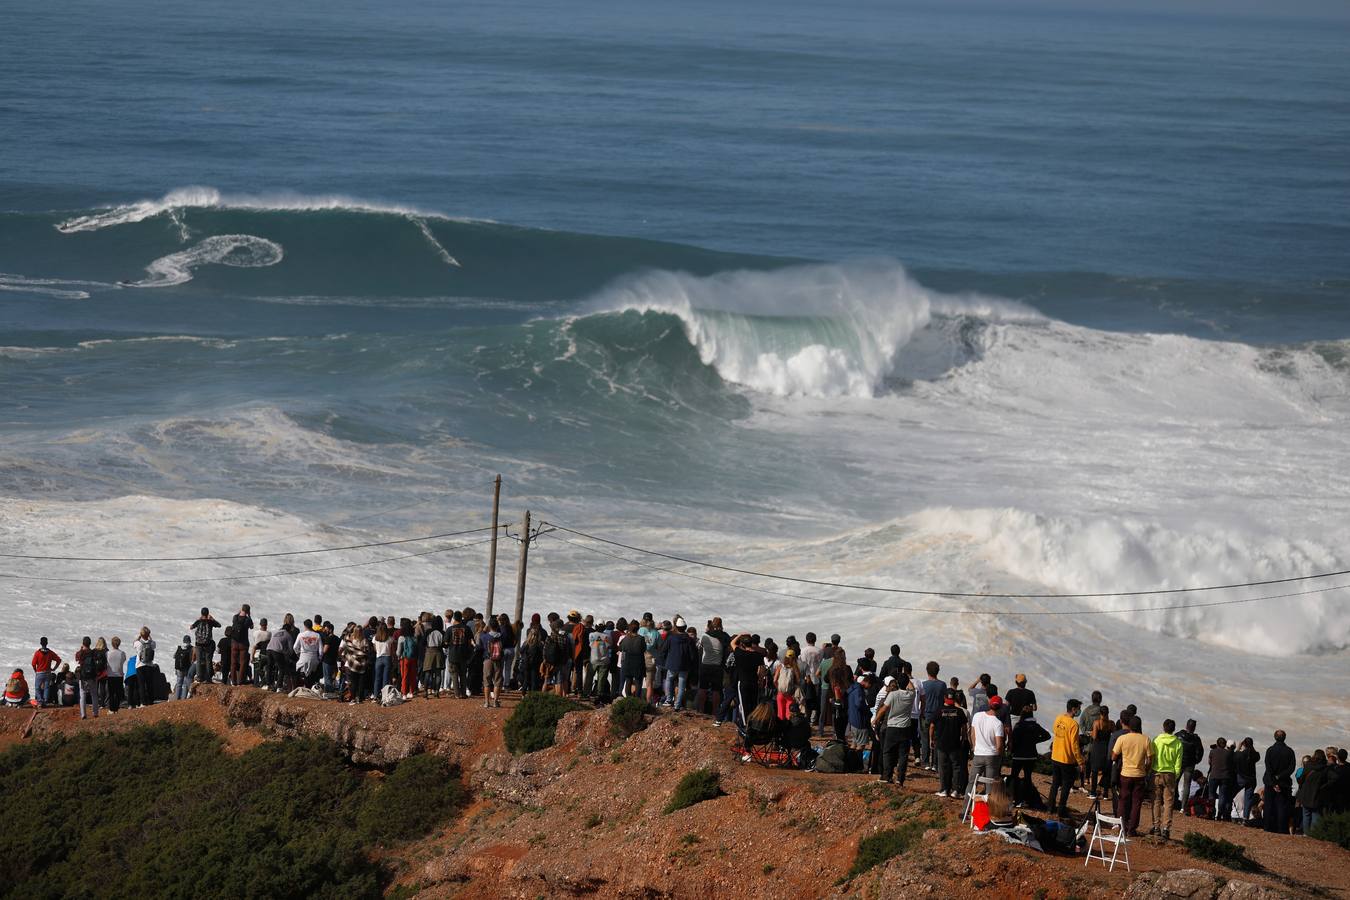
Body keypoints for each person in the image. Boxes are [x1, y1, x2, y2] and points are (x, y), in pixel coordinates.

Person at [873, 669, 916, 785]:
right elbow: (912, 687)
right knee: (903, 755)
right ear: (907, 683)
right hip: (905, 728)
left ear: (897, 683)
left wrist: (875, 720)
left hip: (892, 727)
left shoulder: (892, 694)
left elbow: (883, 709)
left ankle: (887, 776)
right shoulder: (911, 695)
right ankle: (900, 779)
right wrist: (907, 676)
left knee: (887, 752)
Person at [1113, 716, 1152, 837]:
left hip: (1125, 774)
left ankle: (1121, 826)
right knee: (1136, 803)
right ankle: (1131, 829)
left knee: (1123, 801)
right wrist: (1146, 769)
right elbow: (1150, 759)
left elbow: (1114, 756)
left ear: (1129, 726)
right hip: (1139, 775)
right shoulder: (1146, 740)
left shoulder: (1122, 738)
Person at [1010, 708, 1051, 808]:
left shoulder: (1019, 726)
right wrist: (1035, 741)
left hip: (1018, 756)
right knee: (1028, 778)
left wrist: (1012, 751)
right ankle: (1027, 800)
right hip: (1031, 756)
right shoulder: (1035, 726)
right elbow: (1047, 736)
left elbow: (1013, 740)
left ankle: (1015, 799)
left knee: (1013, 777)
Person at [933, 688, 970, 798]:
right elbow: (964, 727)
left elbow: (931, 726)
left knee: (943, 767)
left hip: (942, 744)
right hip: (955, 744)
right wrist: (963, 738)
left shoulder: (939, 710)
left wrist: (931, 739)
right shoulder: (959, 712)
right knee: (956, 767)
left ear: (944, 698)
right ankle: (955, 791)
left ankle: (944, 789)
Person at [1050, 699, 1084, 817]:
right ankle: (1061, 809)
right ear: (1074, 709)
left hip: (1055, 755)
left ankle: (1050, 807)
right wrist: (1080, 761)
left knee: (1055, 783)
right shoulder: (1074, 724)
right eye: (1079, 708)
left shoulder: (1058, 718)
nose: (1079, 711)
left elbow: (1055, 731)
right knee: (1066, 785)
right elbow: (1075, 745)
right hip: (1066, 759)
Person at [1151, 719, 1183, 839]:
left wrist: (1151, 770)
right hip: (1170, 774)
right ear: (1174, 729)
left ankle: (1156, 827)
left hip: (1157, 772)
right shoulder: (1178, 743)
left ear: (1163, 727)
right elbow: (1178, 763)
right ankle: (1166, 829)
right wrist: (1176, 775)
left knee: (1156, 801)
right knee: (1168, 803)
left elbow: (1153, 757)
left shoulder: (1157, 740)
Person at [970, 695, 1006, 784]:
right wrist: (999, 757)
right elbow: (999, 745)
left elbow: (972, 734)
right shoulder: (998, 723)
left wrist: (975, 747)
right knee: (990, 783)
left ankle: (968, 798)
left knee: (972, 782)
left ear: (989, 704)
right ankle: (987, 797)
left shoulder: (977, 716)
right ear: (1000, 708)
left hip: (978, 754)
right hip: (991, 756)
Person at [845, 673, 875, 771]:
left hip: (852, 720)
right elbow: (859, 704)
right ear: (866, 682)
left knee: (853, 744)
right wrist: (868, 711)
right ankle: (858, 767)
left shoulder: (852, 689)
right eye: (869, 685)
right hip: (860, 721)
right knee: (860, 746)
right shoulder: (859, 690)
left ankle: (850, 765)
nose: (869, 687)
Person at [918, 661, 945, 771]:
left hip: (926, 714)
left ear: (927, 671)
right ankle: (935, 764)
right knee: (937, 739)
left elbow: (921, 700)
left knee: (925, 739)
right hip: (938, 715)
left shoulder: (923, 684)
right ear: (938, 671)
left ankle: (925, 763)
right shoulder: (942, 685)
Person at [1296, 748, 1329, 834]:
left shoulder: (1309, 765)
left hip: (1306, 794)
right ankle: (1314, 836)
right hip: (1317, 794)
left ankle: (1306, 834)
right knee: (1316, 815)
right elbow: (1331, 779)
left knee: (1306, 815)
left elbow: (1301, 779)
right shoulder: (1325, 768)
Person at [75, 635, 105, 719]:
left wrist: (81, 649)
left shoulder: (80, 653)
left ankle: (83, 714)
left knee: (82, 695)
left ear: (83, 643)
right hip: (92, 676)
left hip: (83, 677)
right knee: (94, 694)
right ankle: (95, 713)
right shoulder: (93, 652)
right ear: (90, 643)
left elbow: (76, 658)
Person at [1087, 706, 1112, 800]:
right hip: (1106, 748)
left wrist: (1091, 733)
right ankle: (1105, 794)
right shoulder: (1111, 724)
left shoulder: (1097, 723)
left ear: (1100, 714)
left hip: (1097, 748)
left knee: (1094, 771)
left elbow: (1094, 737)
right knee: (1106, 771)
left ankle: (1093, 792)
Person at [1178, 719, 1203, 815]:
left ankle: (1170, 803)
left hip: (1179, 762)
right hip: (1190, 764)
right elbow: (1200, 752)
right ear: (1194, 728)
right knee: (1187, 785)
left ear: (1186, 726)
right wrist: (1196, 761)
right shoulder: (1196, 739)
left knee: (1175, 782)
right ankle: (1183, 808)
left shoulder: (1179, 735)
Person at [1233, 736, 1260, 823]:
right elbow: (1257, 755)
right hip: (1251, 780)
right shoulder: (1255, 755)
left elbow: (1234, 756)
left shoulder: (1240, 754)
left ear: (1244, 744)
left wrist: (1239, 747)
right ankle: (1245, 818)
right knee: (1248, 799)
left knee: (1231, 794)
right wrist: (1250, 747)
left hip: (1241, 778)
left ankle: (1226, 812)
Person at [798, 632, 822, 726]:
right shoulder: (819, 651)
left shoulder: (803, 651)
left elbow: (801, 663)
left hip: (805, 678)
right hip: (816, 678)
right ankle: (813, 719)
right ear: (815, 640)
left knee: (806, 698)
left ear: (806, 640)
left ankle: (805, 717)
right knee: (815, 699)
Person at [1209, 737, 1236, 822]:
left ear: (1217, 744)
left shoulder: (1212, 751)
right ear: (1225, 745)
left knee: (1212, 795)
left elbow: (1210, 762)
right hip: (1225, 777)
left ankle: (1211, 812)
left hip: (1214, 776)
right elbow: (1231, 764)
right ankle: (1219, 813)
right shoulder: (1228, 753)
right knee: (1222, 796)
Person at [618, 621, 647, 700]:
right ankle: (637, 700)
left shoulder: (626, 638)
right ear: (638, 628)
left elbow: (620, 648)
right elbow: (644, 649)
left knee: (628, 681)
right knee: (638, 682)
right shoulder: (641, 639)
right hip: (638, 663)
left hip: (627, 663)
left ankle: (628, 699)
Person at [190, 608, 220, 683]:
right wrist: (212, 619)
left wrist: (198, 619)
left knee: (199, 660)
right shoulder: (210, 622)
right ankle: (208, 678)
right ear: (208, 613)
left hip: (198, 644)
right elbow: (219, 625)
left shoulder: (198, 621)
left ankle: (199, 677)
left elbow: (191, 627)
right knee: (208, 661)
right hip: (207, 644)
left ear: (201, 613)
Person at [480, 617, 504, 708]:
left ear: (489, 626)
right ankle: (496, 702)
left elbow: (479, 644)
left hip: (488, 659)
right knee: (497, 681)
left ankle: (486, 702)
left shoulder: (485, 637)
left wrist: (484, 629)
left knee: (487, 680)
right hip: (498, 660)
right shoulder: (501, 636)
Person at [131, 626, 158, 706]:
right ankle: (151, 701)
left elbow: (133, 644)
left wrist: (139, 637)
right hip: (149, 665)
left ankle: (143, 702)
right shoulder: (152, 643)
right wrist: (150, 637)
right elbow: (154, 645)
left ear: (141, 634)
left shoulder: (138, 643)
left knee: (141, 685)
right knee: (149, 684)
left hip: (140, 665)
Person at [31, 637, 60, 708]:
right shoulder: (50, 653)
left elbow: (33, 663)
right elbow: (58, 660)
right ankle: (45, 701)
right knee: (46, 687)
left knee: (37, 687)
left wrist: (36, 670)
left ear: (40, 643)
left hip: (40, 672)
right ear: (47, 643)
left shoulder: (38, 653)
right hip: (48, 672)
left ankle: (40, 702)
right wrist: (54, 668)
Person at [295, 619, 324, 689]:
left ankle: (301, 689)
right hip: (314, 659)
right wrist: (319, 659)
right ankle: (310, 689)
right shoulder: (317, 635)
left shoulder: (300, 635)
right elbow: (321, 650)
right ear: (312, 626)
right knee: (312, 677)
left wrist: (298, 655)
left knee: (300, 675)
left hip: (303, 658)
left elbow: (295, 647)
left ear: (305, 626)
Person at [774, 650, 802, 721]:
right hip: (790, 694)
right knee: (788, 714)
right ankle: (788, 730)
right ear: (794, 658)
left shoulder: (780, 666)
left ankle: (780, 730)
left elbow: (775, 680)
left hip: (780, 693)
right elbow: (798, 681)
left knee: (780, 714)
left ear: (785, 657)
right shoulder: (795, 668)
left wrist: (779, 689)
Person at [229, 604, 253, 685]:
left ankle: (233, 681)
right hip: (244, 643)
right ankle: (240, 681)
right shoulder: (247, 619)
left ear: (241, 609)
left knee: (233, 662)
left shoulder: (235, 617)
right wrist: (249, 616)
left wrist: (239, 612)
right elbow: (252, 626)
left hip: (234, 642)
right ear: (248, 611)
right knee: (243, 663)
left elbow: (235, 621)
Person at [104, 636, 127, 714]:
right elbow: (123, 661)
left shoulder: (108, 653)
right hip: (119, 675)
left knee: (111, 693)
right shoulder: (122, 653)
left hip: (110, 675)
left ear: (112, 644)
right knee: (117, 693)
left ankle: (111, 709)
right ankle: (116, 709)